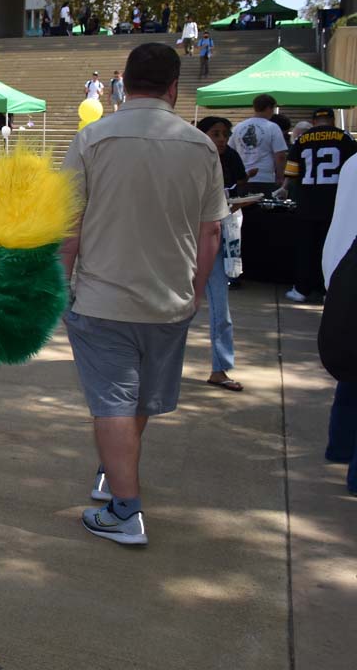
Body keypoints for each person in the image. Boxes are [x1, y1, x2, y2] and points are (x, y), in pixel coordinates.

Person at [61, 43, 227, 545]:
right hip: (169, 299)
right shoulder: (201, 146)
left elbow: (69, 225)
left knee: (112, 401)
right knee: (135, 402)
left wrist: (59, 284)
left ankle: (125, 510)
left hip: (100, 298)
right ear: (175, 87)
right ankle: (116, 476)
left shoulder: (92, 139)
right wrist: (195, 293)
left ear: (124, 83)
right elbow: (211, 234)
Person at [279, 107, 356, 302]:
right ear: (332, 121)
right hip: (334, 202)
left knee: (305, 247)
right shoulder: (344, 138)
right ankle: (328, 289)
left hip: (307, 201)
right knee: (332, 245)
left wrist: (284, 188)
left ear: (314, 122)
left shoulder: (302, 139)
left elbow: (292, 171)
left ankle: (301, 289)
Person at [198, 116, 250, 392]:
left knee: (221, 308)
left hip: (218, 240)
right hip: (186, 242)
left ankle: (220, 368)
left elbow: (239, 185)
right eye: (215, 133)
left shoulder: (230, 157)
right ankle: (155, 365)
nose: (221, 139)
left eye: (225, 135)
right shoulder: (189, 160)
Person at [322, 154, 357, 495]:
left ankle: (341, 445)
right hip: (347, 269)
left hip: (340, 274)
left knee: (350, 373)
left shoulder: (351, 164)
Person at [229, 94, 287, 194]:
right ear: (269, 108)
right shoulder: (272, 127)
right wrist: (280, 177)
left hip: (242, 178)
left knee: (244, 209)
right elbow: (280, 155)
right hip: (265, 178)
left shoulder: (238, 127)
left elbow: (230, 151)